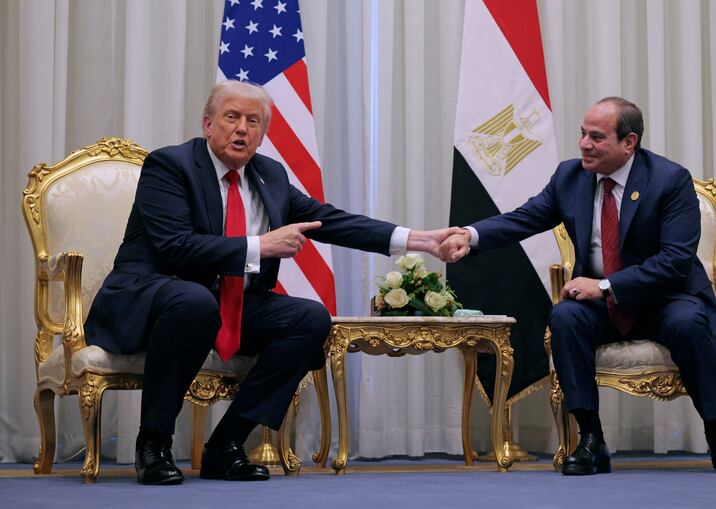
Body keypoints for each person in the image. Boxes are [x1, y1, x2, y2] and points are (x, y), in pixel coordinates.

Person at [84, 80, 458, 485]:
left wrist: (418, 240)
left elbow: (329, 220)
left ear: (262, 135)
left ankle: (226, 445)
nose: (241, 128)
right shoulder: (170, 166)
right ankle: (153, 443)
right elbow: (176, 248)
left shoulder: (269, 175)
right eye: (231, 117)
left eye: (253, 121)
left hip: (222, 304)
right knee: (193, 302)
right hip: (158, 297)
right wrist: (260, 245)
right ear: (208, 124)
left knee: (308, 318)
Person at [439, 97, 716, 475]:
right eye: (582, 133)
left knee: (688, 323)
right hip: (603, 307)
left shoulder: (669, 180)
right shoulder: (569, 177)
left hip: (664, 298)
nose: (584, 144)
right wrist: (470, 236)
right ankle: (591, 440)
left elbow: (674, 262)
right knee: (565, 317)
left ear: (629, 142)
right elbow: (524, 218)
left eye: (596, 136)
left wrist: (605, 285)